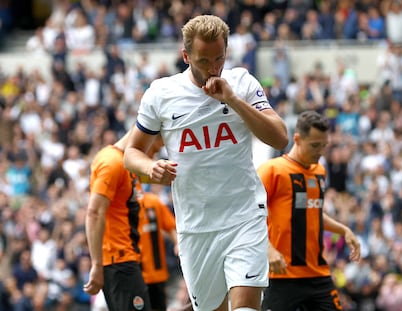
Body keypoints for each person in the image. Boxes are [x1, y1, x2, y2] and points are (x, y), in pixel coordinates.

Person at [124, 14, 288, 311]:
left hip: (244, 216)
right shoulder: (161, 94)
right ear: (186, 56)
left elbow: (279, 138)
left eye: (219, 59)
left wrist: (234, 100)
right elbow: (131, 153)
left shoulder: (242, 82)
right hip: (196, 227)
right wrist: (150, 168)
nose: (213, 68)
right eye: (203, 61)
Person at [256, 110, 361, 311]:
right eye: (315, 145)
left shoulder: (319, 172)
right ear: (297, 139)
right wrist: (268, 249)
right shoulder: (272, 171)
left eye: (324, 145)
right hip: (282, 275)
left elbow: (313, 212)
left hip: (317, 275)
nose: (320, 151)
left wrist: (343, 230)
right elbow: (250, 213)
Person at [83, 131, 152, 311]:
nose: (154, 155)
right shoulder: (112, 162)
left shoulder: (128, 164)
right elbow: (94, 212)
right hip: (119, 262)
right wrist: (97, 264)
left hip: (127, 260)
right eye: (156, 148)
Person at [138, 183, 178, 311]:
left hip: (156, 272)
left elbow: (170, 226)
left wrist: (178, 244)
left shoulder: (153, 202)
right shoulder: (121, 206)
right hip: (134, 273)